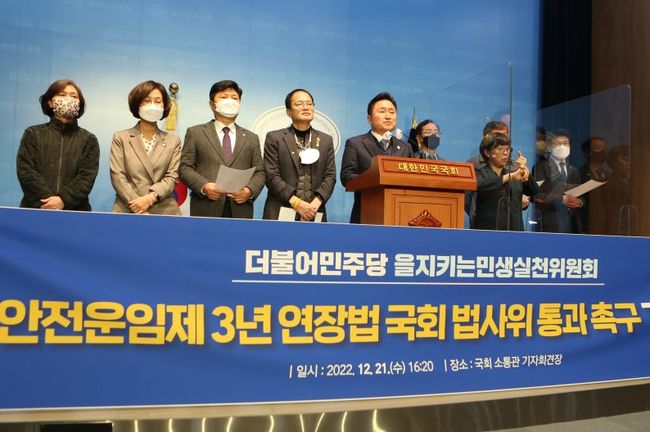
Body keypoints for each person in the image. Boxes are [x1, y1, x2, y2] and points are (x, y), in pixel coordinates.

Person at [179, 80, 264, 218]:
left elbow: (260, 172)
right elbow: (184, 167)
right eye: (224, 97)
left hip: (241, 209)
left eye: (234, 98)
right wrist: (204, 186)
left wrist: (249, 191)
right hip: (206, 207)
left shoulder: (251, 137)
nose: (230, 101)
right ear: (212, 104)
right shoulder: (195, 133)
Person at [16, 79, 99, 211]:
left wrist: (63, 200)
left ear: (79, 104)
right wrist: (48, 200)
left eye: (74, 96)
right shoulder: (33, 134)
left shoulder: (89, 140)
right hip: (36, 209)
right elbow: (26, 172)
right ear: (50, 102)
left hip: (75, 213)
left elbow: (86, 177)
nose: (68, 99)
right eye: (62, 95)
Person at [263, 89, 336, 221]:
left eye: (309, 104)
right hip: (282, 209)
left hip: (314, 211)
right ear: (288, 112)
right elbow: (271, 176)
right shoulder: (275, 138)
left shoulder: (326, 140)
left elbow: (330, 176)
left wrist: (314, 205)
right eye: (299, 104)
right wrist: (297, 204)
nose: (305, 107)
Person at [109, 80, 181, 215]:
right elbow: (118, 176)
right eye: (147, 101)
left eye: (158, 101)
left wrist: (150, 198)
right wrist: (137, 204)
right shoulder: (121, 137)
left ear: (165, 106)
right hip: (128, 207)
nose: (153, 105)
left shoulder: (173, 141)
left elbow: (172, 177)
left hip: (164, 209)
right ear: (137, 104)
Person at [340, 92, 413, 223]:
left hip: (399, 216)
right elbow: (346, 177)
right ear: (369, 119)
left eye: (392, 112)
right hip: (366, 214)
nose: (388, 116)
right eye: (382, 111)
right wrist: (377, 179)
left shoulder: (405, 147)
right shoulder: (356, 144)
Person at [474, 132, 537, 230]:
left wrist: (526, 173)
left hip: (515, 231)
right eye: (500, 149)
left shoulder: (514, 175)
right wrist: (509, 177)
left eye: (507, 149)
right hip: (489, 232)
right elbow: (481, 186)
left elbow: (536, 193)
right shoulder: (479, 173)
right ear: (487, 152)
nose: (505, 153)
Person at [532, 130, 583, 233]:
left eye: (565, 143)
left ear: (570, 146)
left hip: (572, 225)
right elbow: (538, 195)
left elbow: (582, 195)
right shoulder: (541, 168)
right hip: (550, 223)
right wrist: (562, 199)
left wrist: (579, 202)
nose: (562, 146)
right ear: (550, 147)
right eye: (558, 143)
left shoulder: (574, 169)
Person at [578, 136, 610, 233]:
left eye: (605, 148)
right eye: (598, 147)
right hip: (587, 228)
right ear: (587, 152)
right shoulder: (578, 174)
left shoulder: (609, 176)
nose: (603, 151)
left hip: (607, 228)